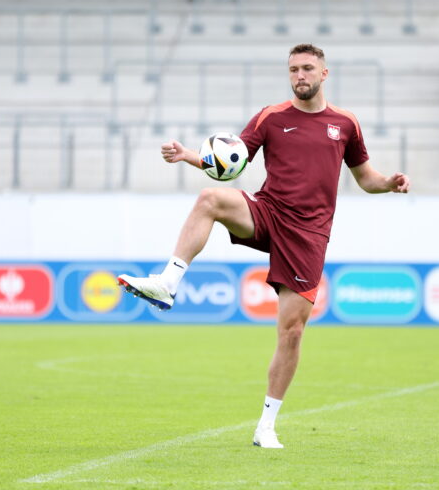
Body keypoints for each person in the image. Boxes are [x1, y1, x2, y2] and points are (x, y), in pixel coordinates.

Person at [118, 43, 410, 447]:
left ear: (324, 74)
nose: (299, 76)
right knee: (209, 199)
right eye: (293, 69)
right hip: (269, 212)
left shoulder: (345, 123)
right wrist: (189, 156)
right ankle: (167, 283)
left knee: (291, 332)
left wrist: (388, 183)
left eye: (307, 68)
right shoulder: (271, 117)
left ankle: (266, 426)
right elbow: (230, 161)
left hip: (309, 234)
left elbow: (365, 178)